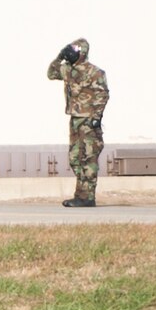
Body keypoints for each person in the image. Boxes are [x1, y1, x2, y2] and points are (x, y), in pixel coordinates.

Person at [47, 37, 108, 207]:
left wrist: (96, 117)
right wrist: (60, 57)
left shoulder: (95, 72)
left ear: (82, 53)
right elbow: (51, 73)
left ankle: (87, 197)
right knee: (75, 158)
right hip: (75, 119)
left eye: (74, 51)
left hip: (89, 120)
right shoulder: (68, 70)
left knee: (89, 158)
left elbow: (103, 95)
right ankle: (80, 195)